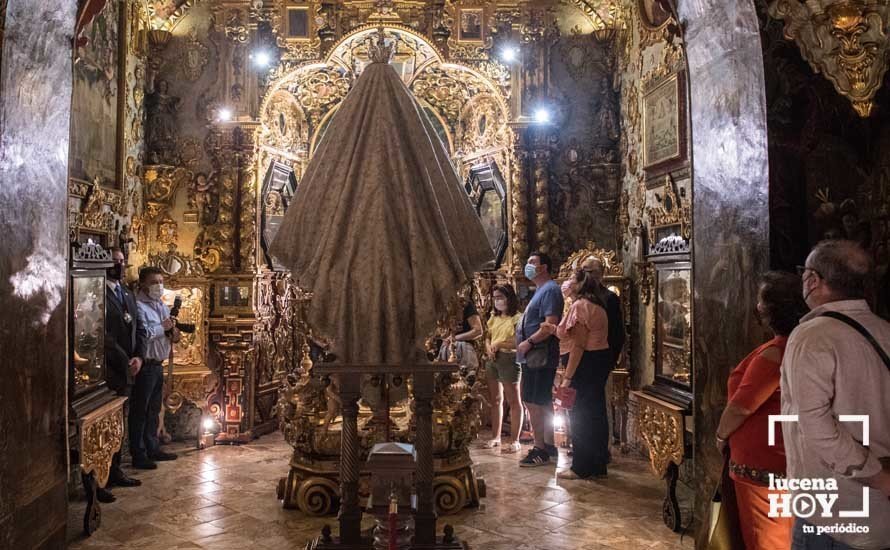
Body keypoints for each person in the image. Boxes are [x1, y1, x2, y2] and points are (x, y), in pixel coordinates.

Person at [782, 240, 890, 549]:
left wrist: (875, 475)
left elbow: (815, 426)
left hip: (833, 513)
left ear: (813, 280)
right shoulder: (884, 330)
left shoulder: (812, 335)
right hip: (879, 514)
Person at [715, 271, 808, 550]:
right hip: (783, 456)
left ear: (770, 310)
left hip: (762, 465)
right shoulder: (800, 345)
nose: (756, 307)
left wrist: (721, 436)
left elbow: (741, 407)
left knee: (764, 538)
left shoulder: (774, 353)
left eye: (759, 301)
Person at [545, 269, 611, 479]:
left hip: (585, 365)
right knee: (596, 414)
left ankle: (581, 466)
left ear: (581, 283)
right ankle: (598, 464)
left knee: (580, 415)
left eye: (572, 278)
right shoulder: (596, 305)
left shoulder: (580, 306)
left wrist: (568, 377)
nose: (567, 281)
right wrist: (553, 329)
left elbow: (579, 345)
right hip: (597, 363)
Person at [100, 247, 146, 502]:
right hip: (111, 369)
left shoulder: (127, 294)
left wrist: (139, 356)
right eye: (114, 261)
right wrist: (123, 359)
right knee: (105, 424)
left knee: (119, 422)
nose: (119, 265)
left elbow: (138, 328)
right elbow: (103, 334)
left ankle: (116, 469)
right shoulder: (99, 292)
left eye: (121, 261)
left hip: (131, 366)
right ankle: (101, 477)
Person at [516, 251, 564, 467]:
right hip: (534, 355)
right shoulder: (541, 291)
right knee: (541, 400)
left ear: (544, 267)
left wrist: (529, 342)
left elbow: (549, 324)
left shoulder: (551, 290)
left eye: (532, 262)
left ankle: (539, 449)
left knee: (533, 401)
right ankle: (547, 443)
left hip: (540, 354)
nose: (528, 265)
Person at [132, 267, 179, 469]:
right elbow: (144, 332)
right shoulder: (138, 305)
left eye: (161, 281)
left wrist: (173, 331)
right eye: (154, 282)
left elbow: (170, 330)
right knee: (140, 411)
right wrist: (165, 327)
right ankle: (139, 453)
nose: (158, 286)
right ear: (143, 284)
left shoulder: (160, 305)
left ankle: (153, 447)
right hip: (145, 366)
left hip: (159, 364)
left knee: (153, 410)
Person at [483, 284, 523, 453]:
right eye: (495, 298)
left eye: (500, 297)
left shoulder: (518, 318)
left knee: (513, 401)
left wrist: (499, 344)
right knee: (496, 400)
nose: (497, 301)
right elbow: (487, 336)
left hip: (509, 357)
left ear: (509, 298)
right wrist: (488, 347)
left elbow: (518, 342)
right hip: (493, 359)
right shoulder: (493, 317)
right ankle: (496, 437)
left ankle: (515, 440)